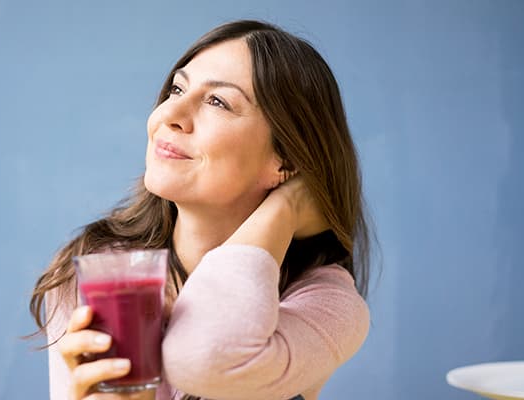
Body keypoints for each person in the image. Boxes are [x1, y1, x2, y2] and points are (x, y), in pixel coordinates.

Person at [29, 19, 372, 400]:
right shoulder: (92, 268)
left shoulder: (322, 303)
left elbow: (205, 357)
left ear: (285, 160)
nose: (170, 115)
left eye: (217, 102)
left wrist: (286, 208)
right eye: (177, 88)